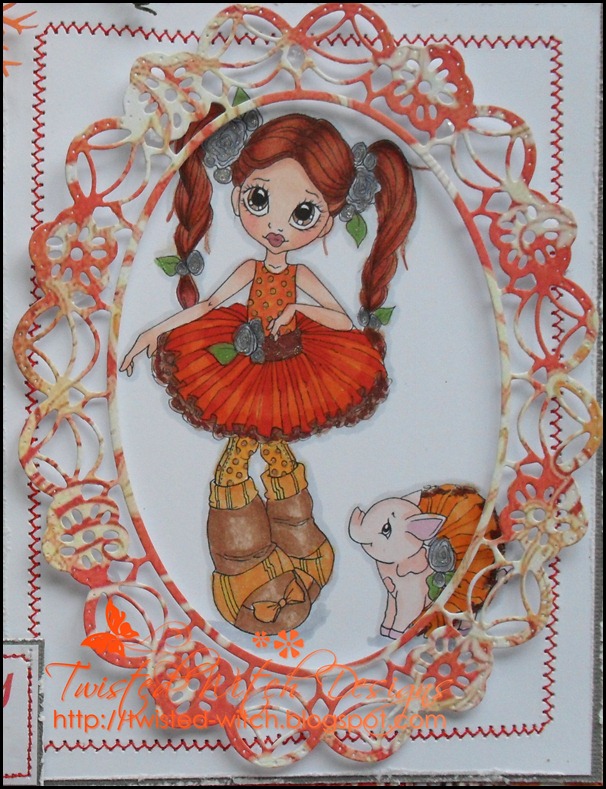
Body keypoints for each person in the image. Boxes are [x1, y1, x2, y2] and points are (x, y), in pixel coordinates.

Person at [120, 108, 416, 634]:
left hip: (291, 367)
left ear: (330, 215)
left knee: (247, 456)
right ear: (238, 193)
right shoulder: (248, 269)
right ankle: (291, 545)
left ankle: (258, 557)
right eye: (260, 200)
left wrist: (297, 309)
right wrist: (153, 331)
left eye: (303, 213)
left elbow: (342, 321)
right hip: (242, 361)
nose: (277, 227)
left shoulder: (300, 275)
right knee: (258, 449)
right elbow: (208, 306)